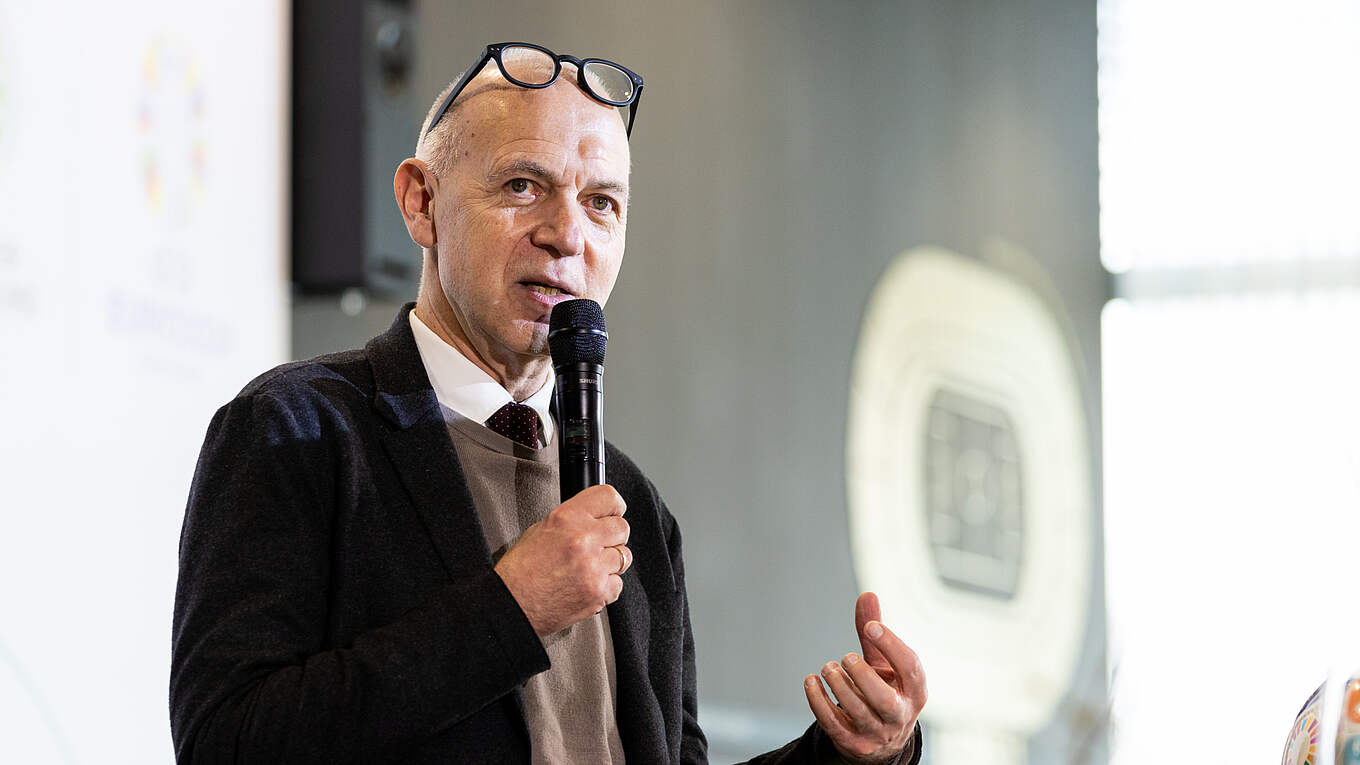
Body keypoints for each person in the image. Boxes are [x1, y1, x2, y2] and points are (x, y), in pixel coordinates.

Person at [170, 42, 926, 764]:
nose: (567, 235)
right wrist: (512, 608)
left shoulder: (634, 505)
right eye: (522, 186)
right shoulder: (297, 430)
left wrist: (853, 753)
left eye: (601, 203)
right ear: (421, 202)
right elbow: (224, 742)